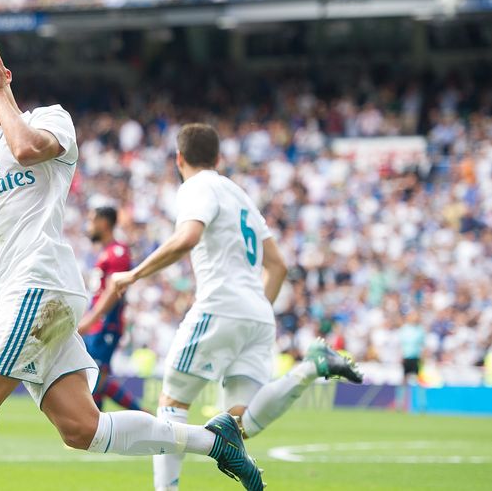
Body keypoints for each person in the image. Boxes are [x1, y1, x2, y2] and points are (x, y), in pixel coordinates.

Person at [0, 40, 264, 491]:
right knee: (82, 429)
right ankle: (214, 441)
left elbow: (25, 150)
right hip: (23, 295)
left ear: (4, 73)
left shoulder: (48, 119)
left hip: (39, 284)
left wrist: (1, 92)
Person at [108, 123, 363, 491]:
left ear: (179, 159)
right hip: (257, 313)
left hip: (219, 305)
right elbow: (278, 265)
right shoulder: (239, 194)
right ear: (218, 158)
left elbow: (187, 238)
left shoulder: (196, 187)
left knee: (172, 404)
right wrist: (254, 310)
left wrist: (133, 274)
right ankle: (310, 367)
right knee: (239, 423)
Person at [78, 206, 145, 412]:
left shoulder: (118, 252)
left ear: (104, 223)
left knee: (96, 376)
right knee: (97, 377)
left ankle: (95, 430)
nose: (88, 227)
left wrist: (91, 320)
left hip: (107, 323)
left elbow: (114, 292)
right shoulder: (105, 252)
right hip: (98, 323)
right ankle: (145, 416)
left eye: (91, 221)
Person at [398, 311, 426, 411]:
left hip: (416, 357)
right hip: (406, 357)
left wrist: (423, 357)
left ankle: (421, 404)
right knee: (403, 381)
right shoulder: (404, 329)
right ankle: (400, 404)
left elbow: (423, 345)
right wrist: (400, 356)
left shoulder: (420, 330)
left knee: (419, 381)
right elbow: (401, 344)